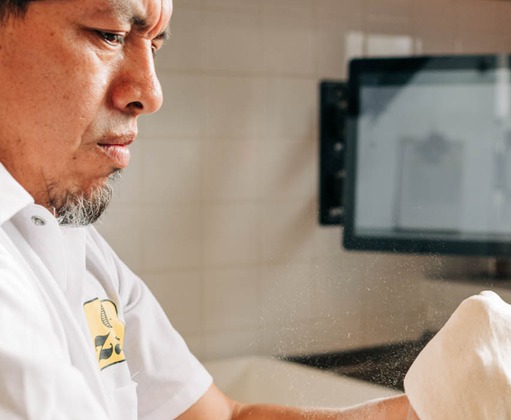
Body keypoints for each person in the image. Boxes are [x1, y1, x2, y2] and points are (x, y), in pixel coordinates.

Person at [0, 0, 413, 418]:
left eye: (154, 46)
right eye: (110, 35)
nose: (151, 93)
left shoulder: (71, 243)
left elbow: (220, 417)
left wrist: (434, 407)